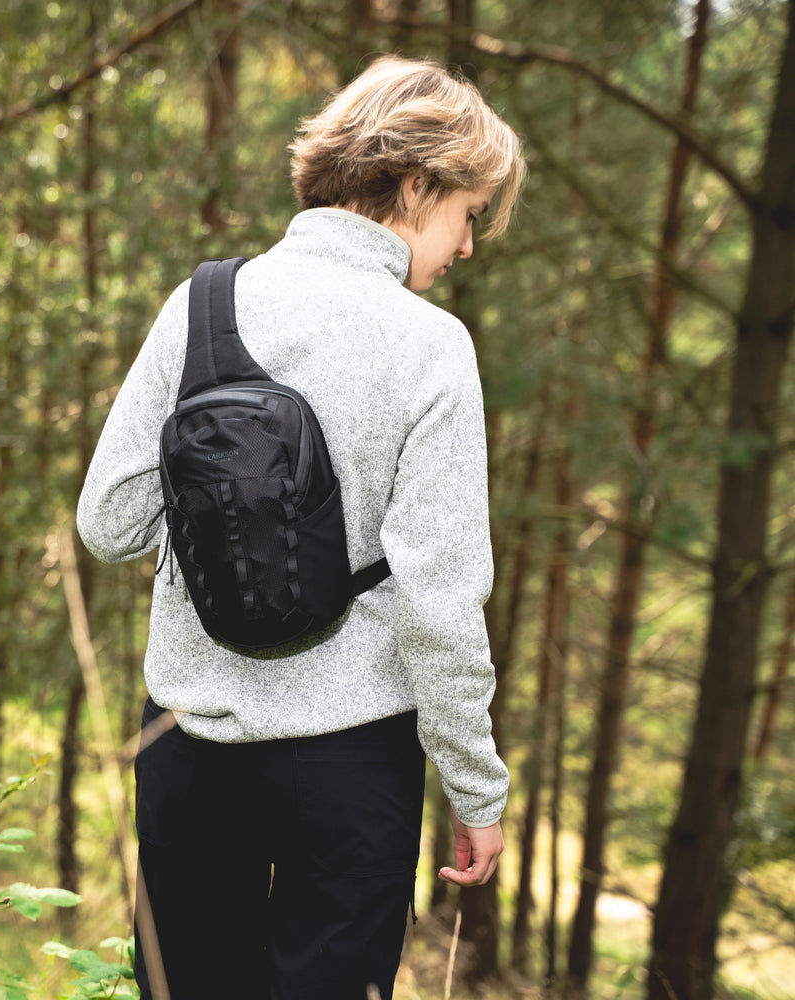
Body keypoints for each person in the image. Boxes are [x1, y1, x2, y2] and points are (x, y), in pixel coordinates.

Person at [77, 54, 526, 1000]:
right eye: (469, 214)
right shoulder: (431, 345)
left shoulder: (202, 303)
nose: (469, 246)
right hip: (349, 764)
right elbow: (439, 605)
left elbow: (110, 522)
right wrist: (476, 791)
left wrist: (225, 533)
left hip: (187, 745)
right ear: (416, 184)